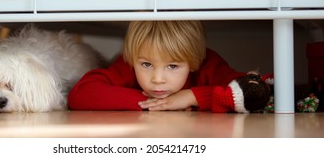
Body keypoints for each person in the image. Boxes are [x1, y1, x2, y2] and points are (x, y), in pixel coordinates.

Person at [68, 20, 269, 112]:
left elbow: (253, 91)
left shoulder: (207, 64)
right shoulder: (129, 62)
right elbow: (80, 95)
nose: (157, 78)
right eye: (147, 64)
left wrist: (192, 96)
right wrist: (153, 104)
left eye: (172, 66)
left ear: (192, 63)